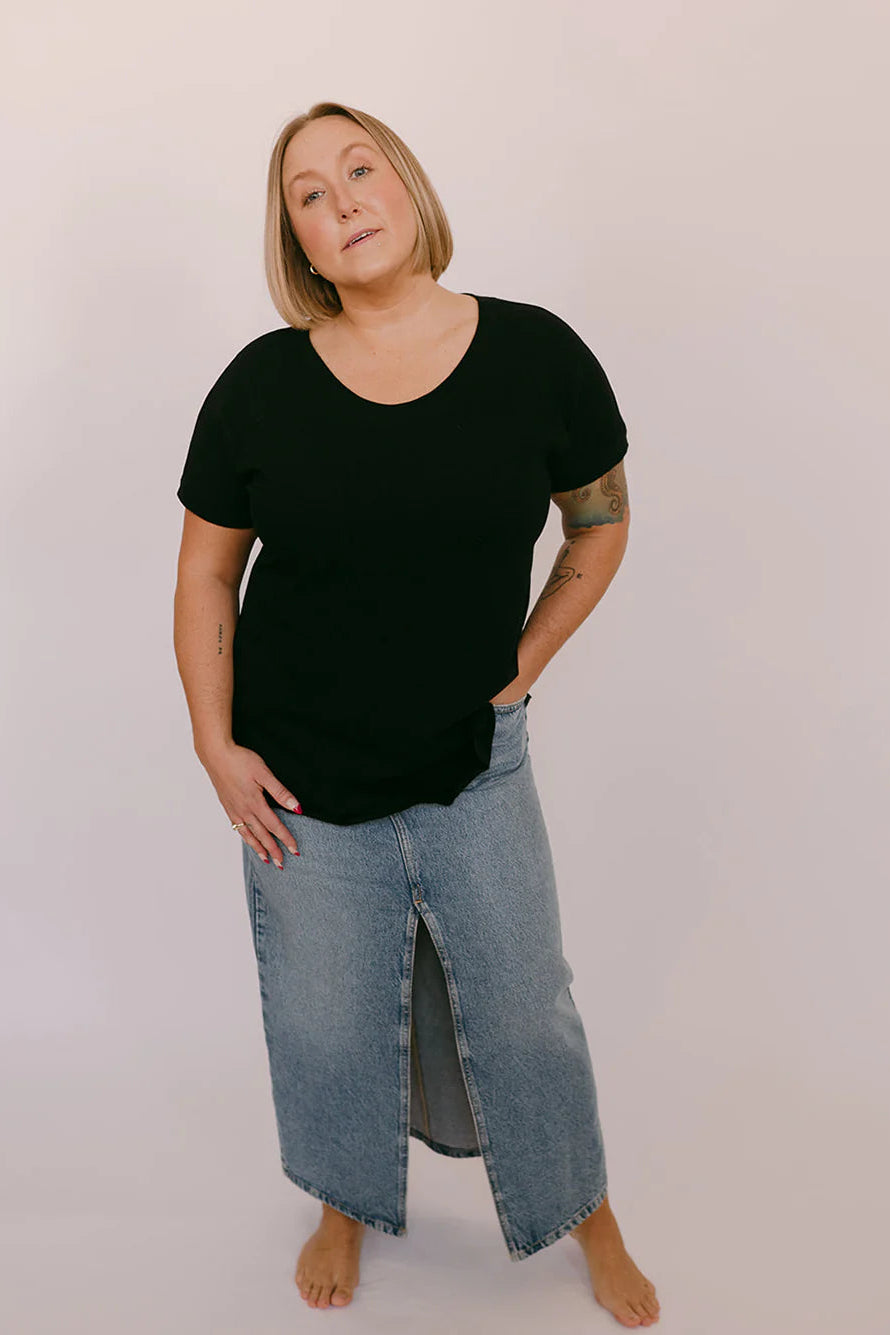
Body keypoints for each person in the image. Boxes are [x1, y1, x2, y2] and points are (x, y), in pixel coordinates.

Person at [172, 100, 660, 1328]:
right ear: (296, 240)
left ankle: (585, 1211)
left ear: (408, 186)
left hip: (472, 760)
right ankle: (344, 1202)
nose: (342, 201)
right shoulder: (261, 385)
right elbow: (205, 574)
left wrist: (522, 664)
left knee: (524, 1010)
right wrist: (215, 745)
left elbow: (598, 523)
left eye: (359, 169)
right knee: (328, 1019)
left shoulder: (538, 356)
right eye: (308, 195)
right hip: (297, 776)